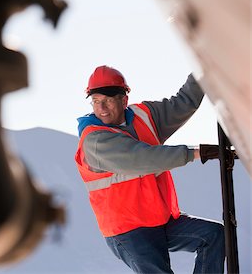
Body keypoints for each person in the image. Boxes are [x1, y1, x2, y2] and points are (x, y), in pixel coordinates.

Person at [74, 65, 225, 273]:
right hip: (129, 231)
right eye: (96, 101)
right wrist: (195, 153)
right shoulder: (95, 140)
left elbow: (183, 103)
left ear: (123, 100)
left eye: (108, 100)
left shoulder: (144, 117)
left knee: (214, 235)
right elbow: (143, 158)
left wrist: (203, 68)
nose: (102, 108)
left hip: (160, 220)